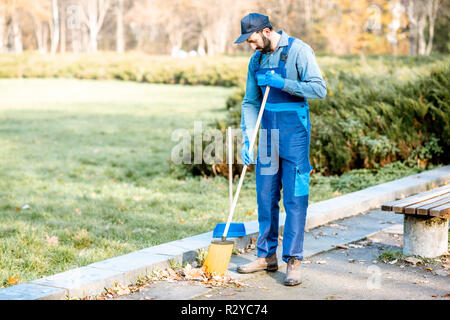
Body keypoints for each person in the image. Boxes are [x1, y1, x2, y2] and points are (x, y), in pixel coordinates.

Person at [234, 13, 327, 286]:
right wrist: (247, 139)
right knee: (265, 195)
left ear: (265, 31)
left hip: (295, 135)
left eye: (252, 40)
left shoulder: (299, 51)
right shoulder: (256, 60)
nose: (251, 46)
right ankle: (266, 256)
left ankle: (293, 260)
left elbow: (319, 89)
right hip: (267, 136)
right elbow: (250, 102)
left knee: (295, 199)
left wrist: (283, 84)